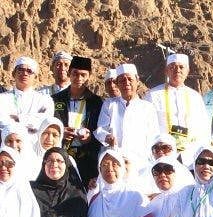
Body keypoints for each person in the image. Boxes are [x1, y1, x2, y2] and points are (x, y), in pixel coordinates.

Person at [95, 63, 160, 171]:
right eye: (122, 80)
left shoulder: (148, 107)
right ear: (117, 84)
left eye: (130, 79)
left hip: (141, 163)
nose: (126, 83)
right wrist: (107, 137)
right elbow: (100, 130)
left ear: (137, 81)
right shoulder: (110, 104)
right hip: (114, 161)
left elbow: (154, 137)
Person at [145, 53, 211, 159]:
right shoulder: (152, 95)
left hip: (190, 154)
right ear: (166, 71)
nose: (177, 70)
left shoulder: (195, 97)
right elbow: (146, 127)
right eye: (173, 67)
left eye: (181, 67)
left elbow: (204, 129)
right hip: (162, 154)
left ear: (188, 71)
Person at [52, 56, 103, 186]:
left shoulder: (96, 102)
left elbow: (101, 129)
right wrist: (60, 132)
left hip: (87, 158)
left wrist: (90, 137)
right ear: (69, 73)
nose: (79, 78)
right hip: (61, 155)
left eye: (83, 75)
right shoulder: (55, 99)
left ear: (89, 76)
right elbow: (49, 126)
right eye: (75, 73)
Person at [30, 147, 89, 217]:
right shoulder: (31, 191)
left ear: (66, 165)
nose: (54, 164)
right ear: (44, 164)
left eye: (59, 161)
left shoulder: (76, 195)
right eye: (50, 161)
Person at [0, 56, 54, 137]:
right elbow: (3, 122)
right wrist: (31, 120)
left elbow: (44, 123)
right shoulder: (2, 98)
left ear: (35, 77)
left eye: (29, 71)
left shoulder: (45, 100)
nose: (25, 73)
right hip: (10, 142)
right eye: (20, 69)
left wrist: (17, 118)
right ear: (13, 74)